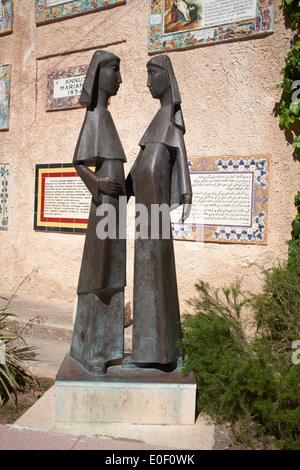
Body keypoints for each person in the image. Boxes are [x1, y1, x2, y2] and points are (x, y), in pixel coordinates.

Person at [124, 55, 192, 369]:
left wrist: (186, 193)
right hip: (143, 215)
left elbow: (178, 154)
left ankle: (162, 352)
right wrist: (120, 191)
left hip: (156, 215)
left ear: (166, 76)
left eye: (152, 74)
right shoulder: (156, 119)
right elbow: (141, 164)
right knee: (145, 278)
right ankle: (146, 351)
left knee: (158, 278)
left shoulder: (170, 119)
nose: (148, 82)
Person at [69, 50, 126, 375]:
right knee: (101, 273)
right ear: (100, 74)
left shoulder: (107, 118)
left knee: (113, 274)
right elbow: (79, 163)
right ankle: (92, 349)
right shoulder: (95, 117)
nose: (119, 78)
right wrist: (101, 184)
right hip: (104, 208)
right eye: (115, 70)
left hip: (114, 209)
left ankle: (107, 348)